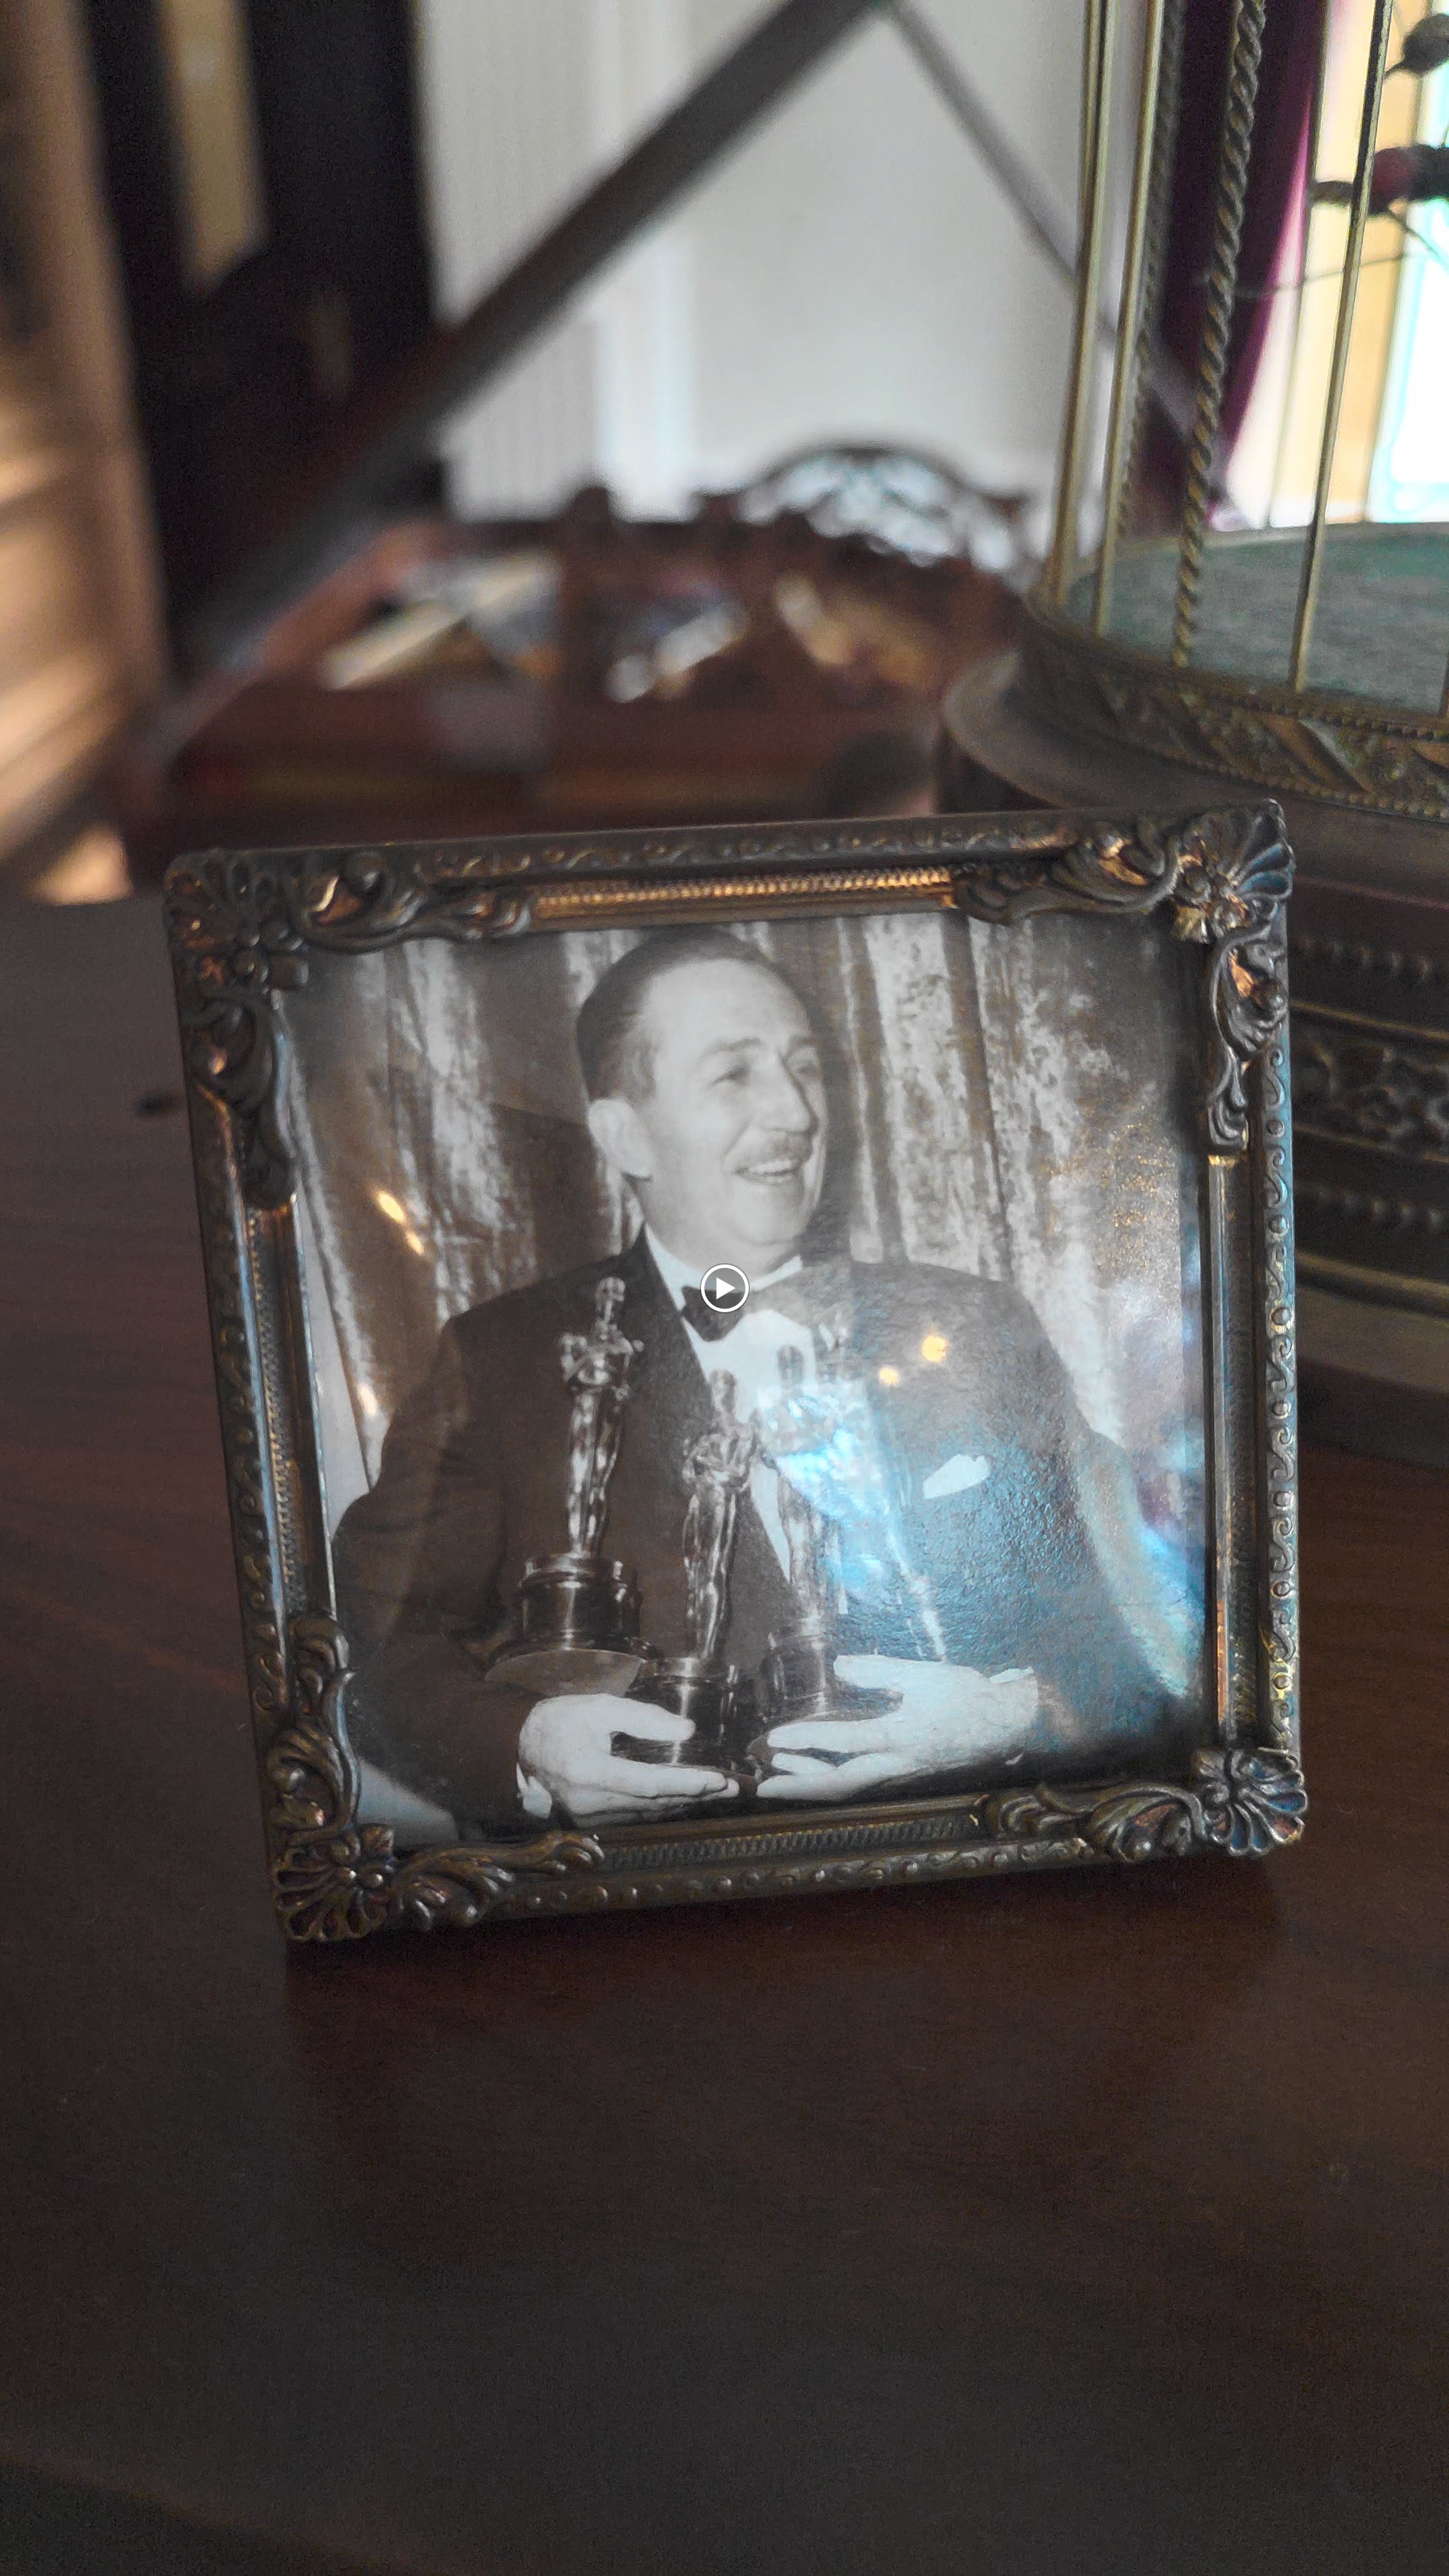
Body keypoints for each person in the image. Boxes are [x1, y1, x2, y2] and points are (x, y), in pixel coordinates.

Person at [333, 929, 1197, 1836]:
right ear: (627, 1134)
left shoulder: (973, 1324)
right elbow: (388, 1651)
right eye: (734, 1075)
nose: (795, 1111)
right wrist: (525, 1744)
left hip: (973, 1863)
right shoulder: (501, 1361)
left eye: (804, 1068)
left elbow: (1142, 1605)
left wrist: (1017, 1717)